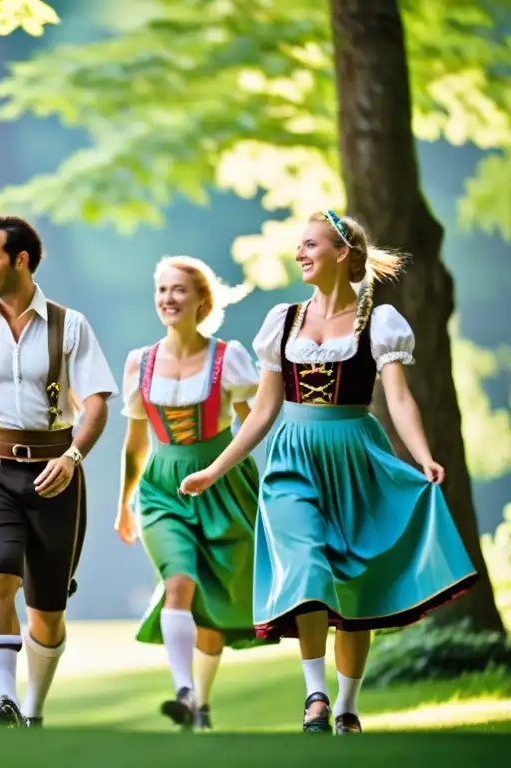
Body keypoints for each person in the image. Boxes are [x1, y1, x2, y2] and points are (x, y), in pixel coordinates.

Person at [179, 211, 478, 734]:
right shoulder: (284, 321)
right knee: (305, 563)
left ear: (341, 253)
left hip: (355, 457)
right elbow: (266, 410)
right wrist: (216, 468)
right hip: (293, 459)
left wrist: (423, 455)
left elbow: (400, 398)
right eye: (299, 245)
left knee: (354, 584)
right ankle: (314, 693)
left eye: (310, 245)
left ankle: (346, 706)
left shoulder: (378, 322)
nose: (300, 254)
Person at [0, 215, 118, 728]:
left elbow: (97, 404)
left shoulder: (70, 325)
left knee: (48, 609)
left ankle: (32, 709)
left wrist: (72, 458)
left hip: (57, 473)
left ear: (21, 260)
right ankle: (6, 699)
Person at [116, 255, 268, 731]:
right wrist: (125, 502)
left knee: (212, 608)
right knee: (180, 581)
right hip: (162, 489)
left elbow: (252, 421)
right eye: (162, 290)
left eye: (178, 290)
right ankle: (182, 690)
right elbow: (136, 443)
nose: (168, 299)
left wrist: (227, 468)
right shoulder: (140, 363)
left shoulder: (229, 358)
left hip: (223, 485)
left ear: (202, 299)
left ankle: (199, 704)